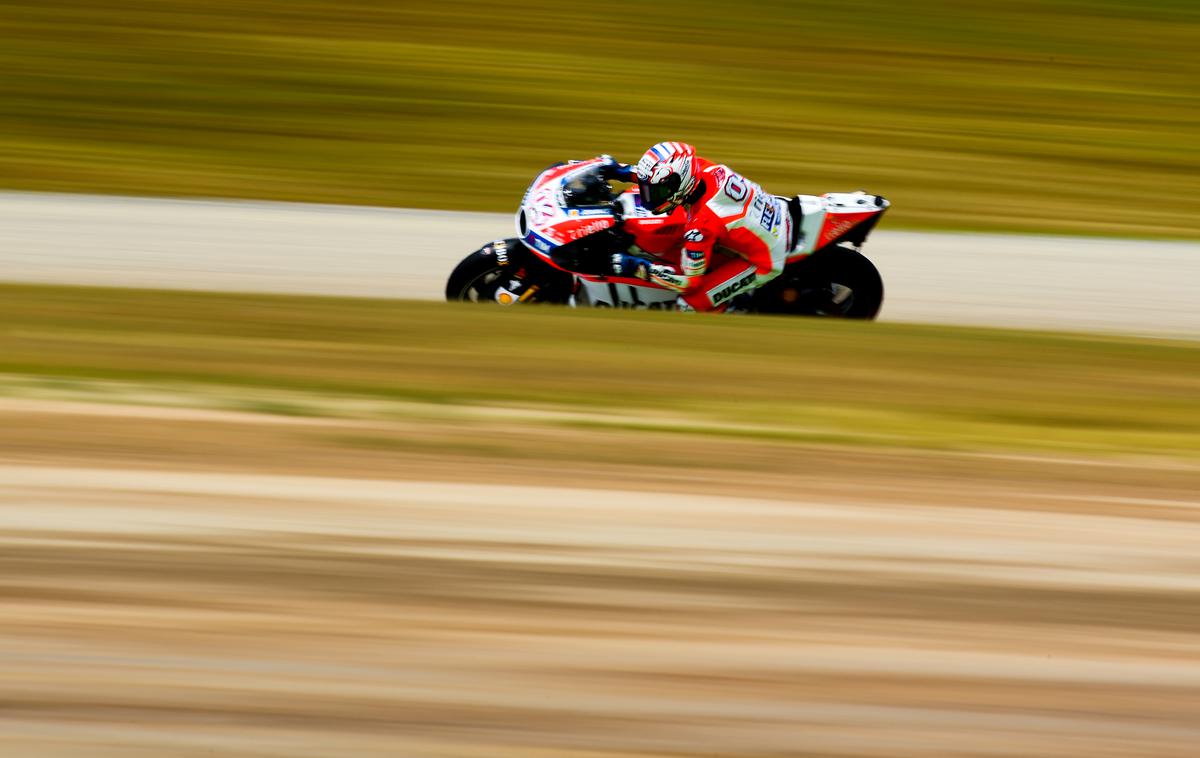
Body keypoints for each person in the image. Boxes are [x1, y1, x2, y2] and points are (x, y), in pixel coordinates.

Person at [607, 142, 794, 312]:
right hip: (778, 212)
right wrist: (621, 172)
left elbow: (689, 283)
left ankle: (734, 310)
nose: (650, 198)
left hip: (767, 259)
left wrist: (636, 267)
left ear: (680, 185)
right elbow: (657, 178)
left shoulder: (700, 227)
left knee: (689, 304)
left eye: (656, 192)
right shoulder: (702, 168)